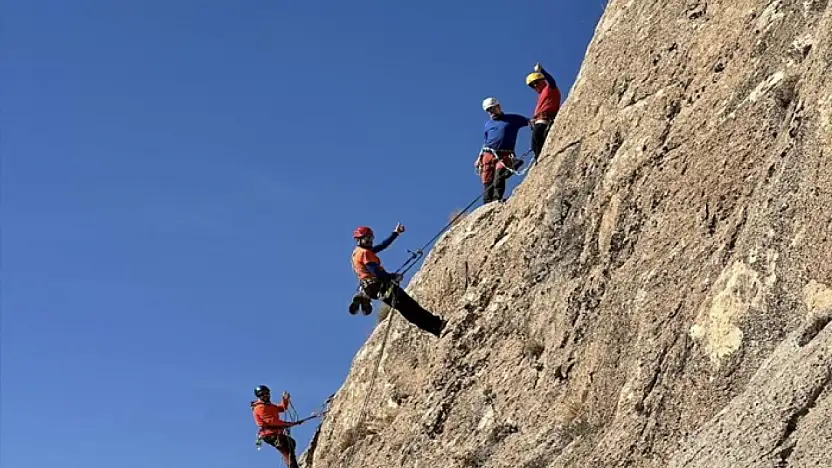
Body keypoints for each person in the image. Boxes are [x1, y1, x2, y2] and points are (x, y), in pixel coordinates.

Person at [349, 224, 445, 337]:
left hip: (372, 288)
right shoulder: (365, 254)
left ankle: (435, 327)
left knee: (406, 308)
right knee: (409, 307)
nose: (370, 241)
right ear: (359, 239)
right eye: (367, 238)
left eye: (371, 238)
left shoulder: (358, 252)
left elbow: (382, 246)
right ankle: (437, 325)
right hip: (381, 285)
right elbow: (378, 273)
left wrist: (395, 233)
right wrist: (393, 276)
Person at [475, 97, 530, 204]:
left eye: (492, 108)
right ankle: (487, 204)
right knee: (487, 181)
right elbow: (486, 142)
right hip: (488, 154)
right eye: (488, 110)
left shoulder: (513, 119)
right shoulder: (488, 124)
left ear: (498, 106)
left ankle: (496, 200)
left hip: (504, 154)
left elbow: (529, 121)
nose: (490, 112)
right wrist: (479, 158)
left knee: (499, 177)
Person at [251, 385, 300, 468]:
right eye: (262, 394)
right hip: (269, 434)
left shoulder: (269, 405)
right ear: (259, 396)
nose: (266, 396)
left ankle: (292, 464)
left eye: (267, 394)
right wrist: (287, 424)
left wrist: (285, 400)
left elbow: (281, 408)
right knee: (287, 447)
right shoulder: (260, 407)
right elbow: (271, 421)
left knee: (290, 444)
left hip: (273, 433)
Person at [526, 63, 561, 163]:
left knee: (537, 138)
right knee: (534, 143)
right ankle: (539, 159)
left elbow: (551, 81)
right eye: (533, 85)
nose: (535, 86)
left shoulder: (550, 89)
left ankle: (541, 159)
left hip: (545, 119)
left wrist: (542, 71)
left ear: (542, 81)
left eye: (536, 82)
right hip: (539, 120)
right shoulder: (541, 95)